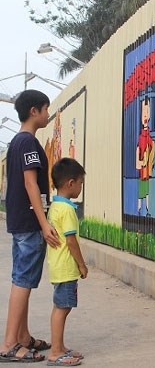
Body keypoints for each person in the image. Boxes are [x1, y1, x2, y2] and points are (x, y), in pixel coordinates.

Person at [0, 90, 59, 363]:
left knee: (22, 279)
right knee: (22, 281)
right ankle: (10, 344)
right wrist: (44, 223)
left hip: (20, 221)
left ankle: (23, 337)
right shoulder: (28, 143)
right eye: (46, 109)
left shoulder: (19, 142)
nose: (48, 114)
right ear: (34, 111)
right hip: (29, 222)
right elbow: (30, 183)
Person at [45, 158, 87, 366]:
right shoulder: (68, 210)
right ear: (70, 183)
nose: (81, 187)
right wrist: (82, 264)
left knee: (62, 307)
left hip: (58, 266)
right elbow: (71, 241)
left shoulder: (55, 206)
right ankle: (55, 352)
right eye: (80, 183)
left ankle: (60, 347)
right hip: (66, 267)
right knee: (62, 308)